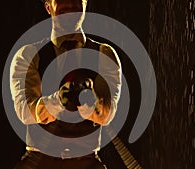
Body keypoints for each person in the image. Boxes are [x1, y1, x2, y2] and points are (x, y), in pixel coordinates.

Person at [10, 0, 122, 168]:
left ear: (85, 5)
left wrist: (90, 103)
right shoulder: (27, 56)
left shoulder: (104, 55)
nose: (69, 5)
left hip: (86, 162)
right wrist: (58, 101)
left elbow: (107, 114)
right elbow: (25, 111)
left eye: (76, 0)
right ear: (48, 7)